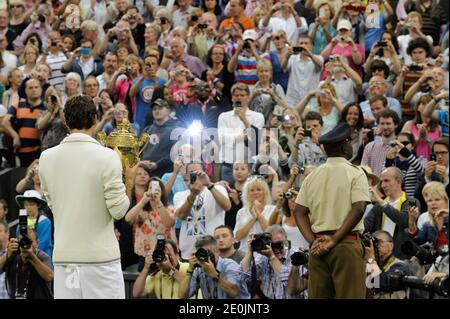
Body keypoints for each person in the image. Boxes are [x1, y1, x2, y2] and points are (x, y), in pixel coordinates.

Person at [39, 95, 131, 299]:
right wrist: (129, 182)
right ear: (95, 119)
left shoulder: (46, 158)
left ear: (65, 121)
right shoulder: (108, 156)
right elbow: (118, 211)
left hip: (65, 261)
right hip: (101, 262)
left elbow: (54, 206)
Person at [294, 122, 371, 299]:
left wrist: (312, 241)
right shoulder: (355, 173)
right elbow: (359, 209)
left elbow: (299, 212)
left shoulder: (313, 176)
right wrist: (335, 239)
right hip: (346, 244)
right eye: (349, 143)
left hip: (318, 247)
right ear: (344, 147)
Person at [174, 163, 231, 260]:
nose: (195, 175)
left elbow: (227, 206)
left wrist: (209, 184)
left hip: (214, 250)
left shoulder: (217, 188)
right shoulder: (180, 195)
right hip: (189, 253)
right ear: (186, 176)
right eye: (192, 173)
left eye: (198, 172)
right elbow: (181, 215)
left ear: (204, 173)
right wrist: (193, 194)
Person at [364, 167, 421, 260]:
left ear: (399, 181)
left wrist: (380, 201)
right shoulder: (379, 205)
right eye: (381, 182)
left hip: (401, 258)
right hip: (380, 256)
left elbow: (404, 221)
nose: (382, 185)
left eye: (386, 181)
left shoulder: (411, 201)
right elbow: (365, 226)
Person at [124, 177, 176, 270]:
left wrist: (158, 202)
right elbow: (128, 219)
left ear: (162, 191)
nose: (154, 189)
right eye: (150, 187)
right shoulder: (141, 210)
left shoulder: (169, 208)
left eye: (157, 187)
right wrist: (143, 201)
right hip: (145, 256)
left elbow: (168, 223)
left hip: (166, 256)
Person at [240, 224, 306, 299]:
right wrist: (250, 251)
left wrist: (271, 257)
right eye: (272, 245)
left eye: (280, 244)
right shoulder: (264, 255)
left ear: (286, 243)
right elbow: (244, 277)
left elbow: (290, 284)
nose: (276, 249)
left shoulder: (296, 255)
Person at [218, 83, 264, 183]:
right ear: (232, 98)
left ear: (248, 98)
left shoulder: (258, 117)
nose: (239, 98)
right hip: (228, 166)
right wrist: (243, 136)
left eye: (242, 95)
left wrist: (244, 119)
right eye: (236, 95)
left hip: (248, 166)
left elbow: (256, 141)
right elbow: (222, 139)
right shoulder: (223, 116)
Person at [178, 235, 250, 299]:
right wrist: (190, 270)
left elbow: (234, 292)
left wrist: (214, 275)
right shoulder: (199, 269)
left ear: (217, 252)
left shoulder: (229, 265)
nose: (204, 256)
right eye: (201, 253)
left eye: (208, 252)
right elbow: (182, 296)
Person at [1, 78, 46, 167]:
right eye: (30, 88)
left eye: (36, 87)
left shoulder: (45, 109)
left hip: (38, 153)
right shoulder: (17, 105)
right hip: (20, 153)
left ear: (41, 90)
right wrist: (15, 135)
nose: (34, 90)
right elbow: (4, 122)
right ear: (25, 90)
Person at [0, 229, 53, 299]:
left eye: (29, 241)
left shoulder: (42, 256)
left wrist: (33, 258)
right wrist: (7, 254)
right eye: (22, 241)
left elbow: (50, 277)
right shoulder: (12, 254)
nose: (25, 245)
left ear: (37, 242)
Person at [365, 230, 413, 299]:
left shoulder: (401, 265)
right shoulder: (369, 264)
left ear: (391, 246)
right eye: (374, 243)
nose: (376, 246)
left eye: (380, 242)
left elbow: (381, 282)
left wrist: (371, 259)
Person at [140, 99, 180, 178]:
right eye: (154, 109)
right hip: (146, 173)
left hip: (166, 174)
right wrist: (141, 162)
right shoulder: (147, 130)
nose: (157, 111)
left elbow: (176, 154)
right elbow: (138, 151)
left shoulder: (176, 130)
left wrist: (157, 164)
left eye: (160, 108)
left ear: (168, 111)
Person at [234, 176, 274, 254]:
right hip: (244, 253)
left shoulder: (272, 209)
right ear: (247, 193)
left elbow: (271, 233)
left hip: (265, 253)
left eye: (259, 189)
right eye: (252, 190)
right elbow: (237, 237)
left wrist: (259, 214)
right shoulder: (241, 212)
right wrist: (253, 219)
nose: (255, 192)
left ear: (264, 192)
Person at [283, 34, 323, 107]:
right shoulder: (292, 58)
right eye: (301, 43)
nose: (303, 46)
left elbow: (320, 65)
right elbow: (283, 67)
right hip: (292, 100)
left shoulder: (318, 58)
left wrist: (310, 55)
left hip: (311, 101)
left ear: (312, 46)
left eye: (306, 43)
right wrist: (287, 55)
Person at [129, 53, 166, 130]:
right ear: (143, 66)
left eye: (153, 64)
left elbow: (159, 98)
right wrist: (142, 77)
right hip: (140, 120)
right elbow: (131, 94)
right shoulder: (137, 80)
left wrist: (154, 80)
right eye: (148, 64)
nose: (150, 66)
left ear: (157, 67)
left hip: (156, 119)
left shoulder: (162, 82)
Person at [14, 190, 53, 259]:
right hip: (25, 259)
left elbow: (43, 245)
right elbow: (18, 240)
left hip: (43, 260)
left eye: (31, 204)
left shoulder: (45, 222)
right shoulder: (22, 222)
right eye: (26, 204)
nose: (28, 207)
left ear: (38, 205)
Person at [361, 109, 400, 177]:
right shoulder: (370, 146)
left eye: (388, 123)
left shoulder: (400, 147)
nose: (385, 127)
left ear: (395, 125)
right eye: (382, 124)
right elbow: (363, 170)